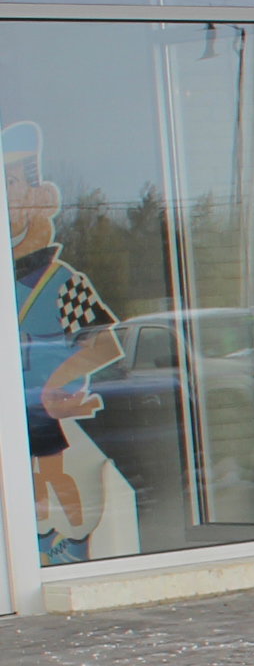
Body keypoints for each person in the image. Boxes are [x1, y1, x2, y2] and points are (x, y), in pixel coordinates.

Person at [8, 120, 124, 563]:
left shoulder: (61, 282)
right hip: (16, 411)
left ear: (38, 198)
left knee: (53, 473)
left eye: (12, 183)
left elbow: (103, 345)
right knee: (33, 479)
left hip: (44, 407)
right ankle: (39, 540)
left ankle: (72, 539)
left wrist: (56, 385)